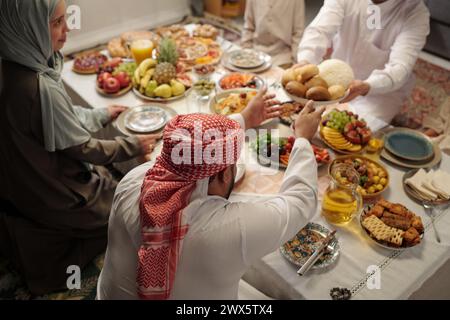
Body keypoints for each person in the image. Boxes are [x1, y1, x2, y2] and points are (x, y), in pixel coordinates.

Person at [97, 88, 325, 300]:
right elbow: (301, 201)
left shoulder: (135, 178)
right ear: (226, 173)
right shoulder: (231, 229)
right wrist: (303, 138)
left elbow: (192, 142)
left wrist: (243, 119)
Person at [0, 0, 160, 295]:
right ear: (29, 25)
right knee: (128, 209)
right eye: (57, 22)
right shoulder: (38, 86)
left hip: (18, 185)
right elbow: (83, 149)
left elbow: (61, 117)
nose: (67, 30)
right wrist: (132, 145)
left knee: (109, 177)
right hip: (49, 194)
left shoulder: (13, 63)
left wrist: (99, 115)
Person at [297, 0, 430, 130]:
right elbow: (319, 31)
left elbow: (400, 68)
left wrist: (366, 86)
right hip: (335, 80)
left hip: (380, 95)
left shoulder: (416, 13)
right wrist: (306, 62)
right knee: (298, 118)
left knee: (344, 134)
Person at [241, 0, 305, 67]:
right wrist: (246, 51)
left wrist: (296, 62)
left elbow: (298, 33)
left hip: (283, 57)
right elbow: (248, 25)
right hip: (256, 53)